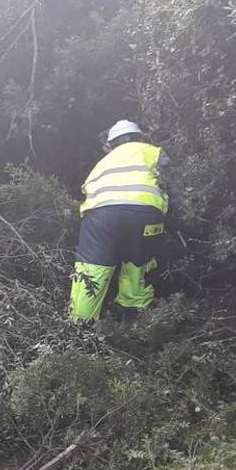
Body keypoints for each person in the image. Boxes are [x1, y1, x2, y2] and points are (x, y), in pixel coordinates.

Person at [70, 119, 174, 322]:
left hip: (100, 218)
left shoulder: (103, 163)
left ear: (111, 144)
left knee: (91, 271)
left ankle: (78, 329)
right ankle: (134, 323)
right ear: (140, 137)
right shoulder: (153, 151)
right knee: (138, 266)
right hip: (145, 216)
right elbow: (173, 184)